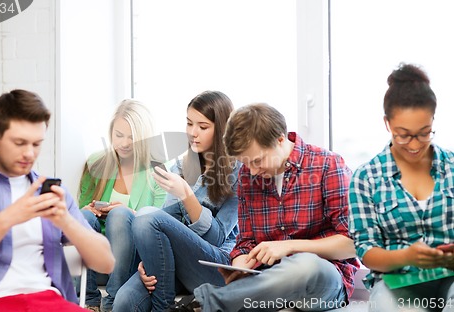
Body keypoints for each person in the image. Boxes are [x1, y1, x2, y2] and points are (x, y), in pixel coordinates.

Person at [0, 89, 115, 312]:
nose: (29, 153)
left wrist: (65, 221)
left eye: (37, 144)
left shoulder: (52, 192)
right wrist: (7, 219)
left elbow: (106, 263)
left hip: (50, 301)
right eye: (20, 143)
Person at [193, 103, 359, 312]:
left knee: (305, 266)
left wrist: (290, 247)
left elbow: (352, 244)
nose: (252, 172)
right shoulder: (247, 175)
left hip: (323, 282)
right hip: (269, 281)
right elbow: (246, 242)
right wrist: (241, 264)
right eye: (246, 163)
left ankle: (203, 305)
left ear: (280, 139)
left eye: (257, 160)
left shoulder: (327, 165)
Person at [113, 90, 241, 312]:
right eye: (189, 123)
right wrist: (149, 259)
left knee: (145, 215)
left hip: (216, 266)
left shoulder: (240, 172)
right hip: (176, 260)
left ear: (221, 129)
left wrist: (187, 195)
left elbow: (217, 238)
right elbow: (161, 227)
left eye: (202, 127)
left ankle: (163, 307)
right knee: (124, 301)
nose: (193, 133)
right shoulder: (180, 168)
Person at [348, 63, 454, 312]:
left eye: (424, 133)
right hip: (397, 281)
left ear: (433, 121)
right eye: (403, 134)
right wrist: (406, 256)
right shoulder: (366, 177)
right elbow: (366, 249)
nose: (415, 145)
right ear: (387, 123)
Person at [78, 99, 167, 311]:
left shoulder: (158, 171)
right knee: (83, 217)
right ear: (110, 133)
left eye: (132, 138)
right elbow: (81, 213)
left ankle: (111, 302)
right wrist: (85, 211)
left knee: (119, 214)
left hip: (134, 261)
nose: (125, 143)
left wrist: (130, 213)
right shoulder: (96, 163)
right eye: (119, 135)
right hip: (97, 259)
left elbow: (163, 225)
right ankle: (88, 300)